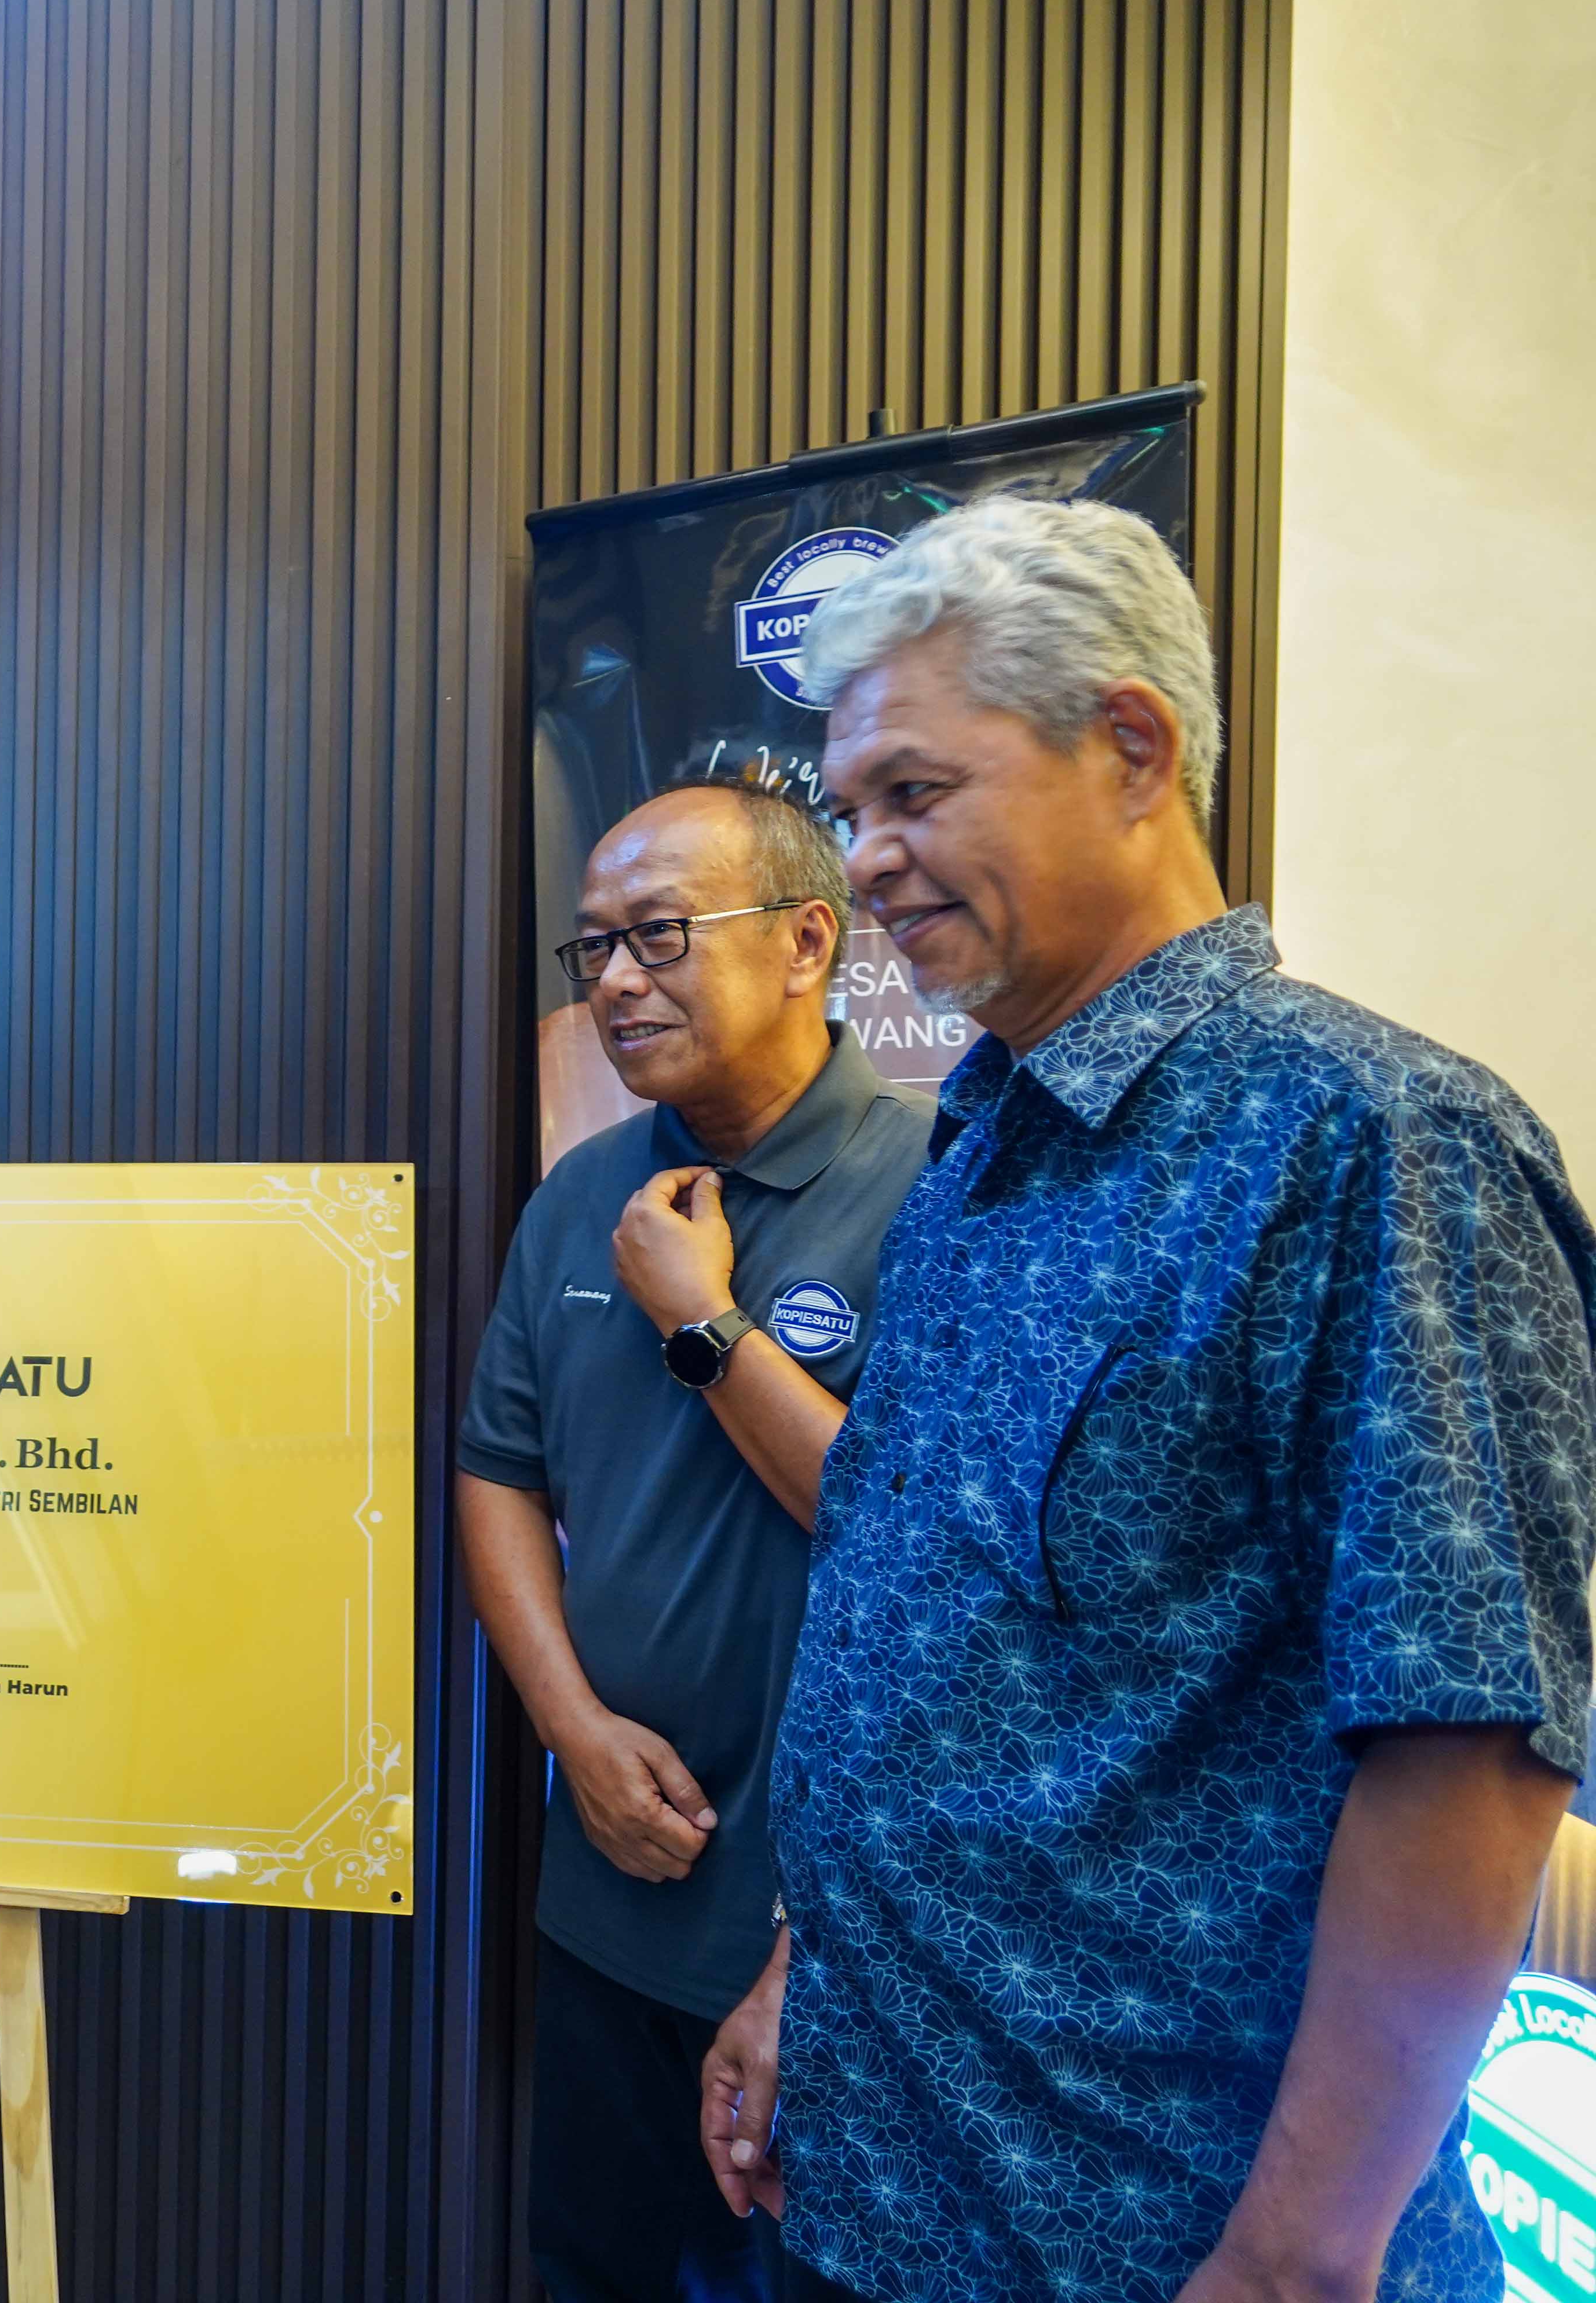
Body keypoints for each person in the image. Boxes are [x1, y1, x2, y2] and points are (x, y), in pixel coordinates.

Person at [701, 497, 1596, 2300]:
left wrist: (1292, 2256)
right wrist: (810, 1968)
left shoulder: (1371, 1142)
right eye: (850, 809)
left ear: (1129, 748)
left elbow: (1471, 1750)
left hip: (1157, 2238)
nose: (867, 862)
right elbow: (929, 1641)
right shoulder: (976, 1151)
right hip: (884, 2188)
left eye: (913, 792)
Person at [457, 779, 930, 2302]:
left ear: (808, 942)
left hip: (832, 1943)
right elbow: (496, 1473)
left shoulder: (943, 1186)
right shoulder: (583, 1196)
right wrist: (572, 1731)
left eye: (658, 934)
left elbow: (916, 1536)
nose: (614, 981)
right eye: (593, 946)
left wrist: (705, 1321)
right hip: (610, 1897)